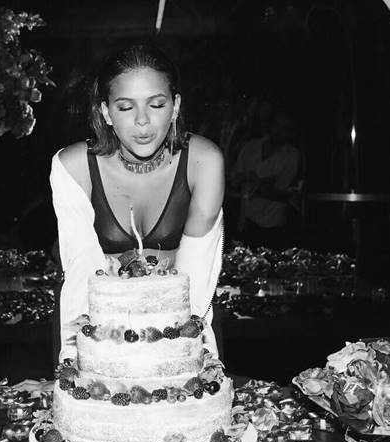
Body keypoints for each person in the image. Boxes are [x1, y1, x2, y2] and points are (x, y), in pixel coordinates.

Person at [49, 43, 225, 362]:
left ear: (175, 106)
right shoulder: (73, 167)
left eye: (156, 104)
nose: (142, 121)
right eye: (125, 107)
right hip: (97, 333)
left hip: (183, 328)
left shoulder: (204, 162)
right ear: (106, 112)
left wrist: (191, 363)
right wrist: (74, 367)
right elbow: (80, 276)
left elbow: (198, 280)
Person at [229, 109, 300, 248]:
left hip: (272, 225)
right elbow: (235, 178)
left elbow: (281, 188)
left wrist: (255, 181)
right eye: (277, 126)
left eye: (284, 128)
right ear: (270, 126)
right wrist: (259, 181)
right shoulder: (250, 147)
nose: (279, 131)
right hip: (244, 221)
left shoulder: (291, 155)